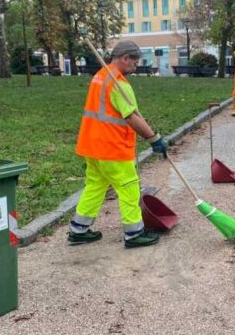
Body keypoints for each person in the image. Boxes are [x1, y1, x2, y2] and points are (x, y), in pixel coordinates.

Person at [68, 40, 168, 248]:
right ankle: (134, 234)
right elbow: (131, 117)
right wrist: (154, 138)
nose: (135, 66)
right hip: (112, 147)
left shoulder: (100, 77)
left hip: (92, 146)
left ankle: (79, 229)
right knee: (129, 188)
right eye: (134, 62)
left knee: (95, 186)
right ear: (125, 58)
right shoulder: (118, 83)